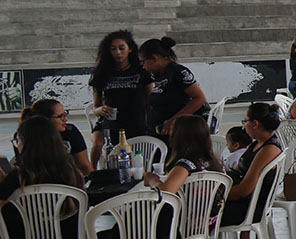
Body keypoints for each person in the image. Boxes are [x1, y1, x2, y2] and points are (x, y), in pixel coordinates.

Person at [0, 116, 85, 239]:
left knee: (6, 234)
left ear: (26, 144)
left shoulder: (18, 178)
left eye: (18, 141)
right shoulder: (71, 172)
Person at [220, 103, 283, 239]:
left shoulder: (268, 149)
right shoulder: (257, 144)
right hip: (246, 203)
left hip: (250, 207)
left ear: (255, 124)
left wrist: (215, 195)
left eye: (245, 121)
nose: (243, 125)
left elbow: (244, 190)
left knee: (200, 216)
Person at [88, 30, 154, 167]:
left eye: (121, 48)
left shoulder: (142, 71)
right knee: (99, 144)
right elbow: (95, 108)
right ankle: (91, 173)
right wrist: (100, 110)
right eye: (113, 49)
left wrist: (149, 125)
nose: (118, 52)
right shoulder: (102, 73)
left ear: (129, 49)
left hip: (136, 122)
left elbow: (150, 102)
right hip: (111, 123)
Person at [140, 37, 208, 137]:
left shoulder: (178, 72)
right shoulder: (157, 74)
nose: (143, 67)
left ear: (154, 58)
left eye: (143, 62)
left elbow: (199, 98)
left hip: (179, 131)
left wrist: (173, 120)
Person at [16, 99, 93, 176]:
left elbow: (85, 165)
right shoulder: (24, 135)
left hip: (67, 180)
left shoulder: (70, 131)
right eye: (60, 116)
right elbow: (24, 167)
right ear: (45, 119)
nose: (65, 119)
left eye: (65, 114)